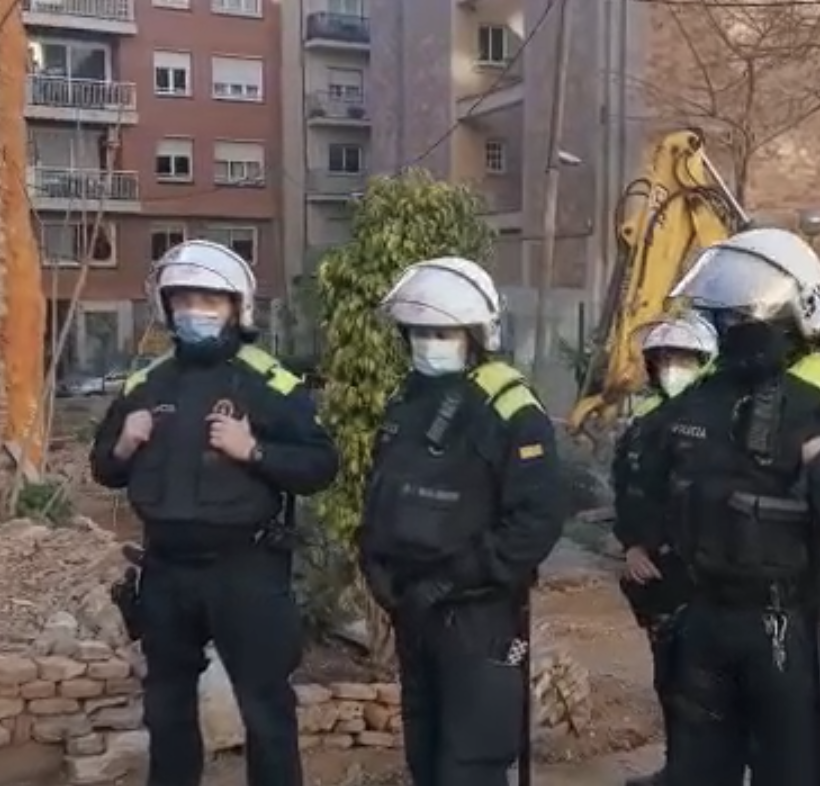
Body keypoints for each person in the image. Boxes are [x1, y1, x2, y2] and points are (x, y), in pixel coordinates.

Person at [630, 228, 820, 786]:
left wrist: (819, 459)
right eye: (718, 318)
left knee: (796, 773)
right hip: (701, 620)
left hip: (794, 626)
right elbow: (648, 472)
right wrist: (636, 540)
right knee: (696, 772)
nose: (725, 331)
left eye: (736, 320)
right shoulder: (702, 394)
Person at [89, 240, 340, 786]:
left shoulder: (268, 381)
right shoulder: (146, 383)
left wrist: (254, 451)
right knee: (167, 709)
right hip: (165, 572)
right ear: (166, 306)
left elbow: (321, 465)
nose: (195, 311)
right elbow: (103, 469)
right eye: (183, 299)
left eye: (210, 299)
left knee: (266, 711)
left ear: (237, 307)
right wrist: (126, 444)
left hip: (244, 571)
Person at [356, 256, 567, 786]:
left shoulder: (512, 407)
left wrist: (455, 578)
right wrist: (377, 567)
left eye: (442, 332)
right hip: (412, 610)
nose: (429, 342)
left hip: (477, 616)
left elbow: (535, 522)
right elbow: (383, 493)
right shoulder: (409, 400)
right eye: (419, 332)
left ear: (476, 333)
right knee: (424, 755)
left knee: (469, 765)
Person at [612, 311, 718, 786]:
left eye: (684, 358)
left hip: (701, 579)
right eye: (665, 358)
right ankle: (679, 771)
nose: (673, 367)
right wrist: (633, 546)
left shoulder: (721, 421)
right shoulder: (643, 423)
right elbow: (628, 489)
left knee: (702, 690)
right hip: (652, 578)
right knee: (669, 683)